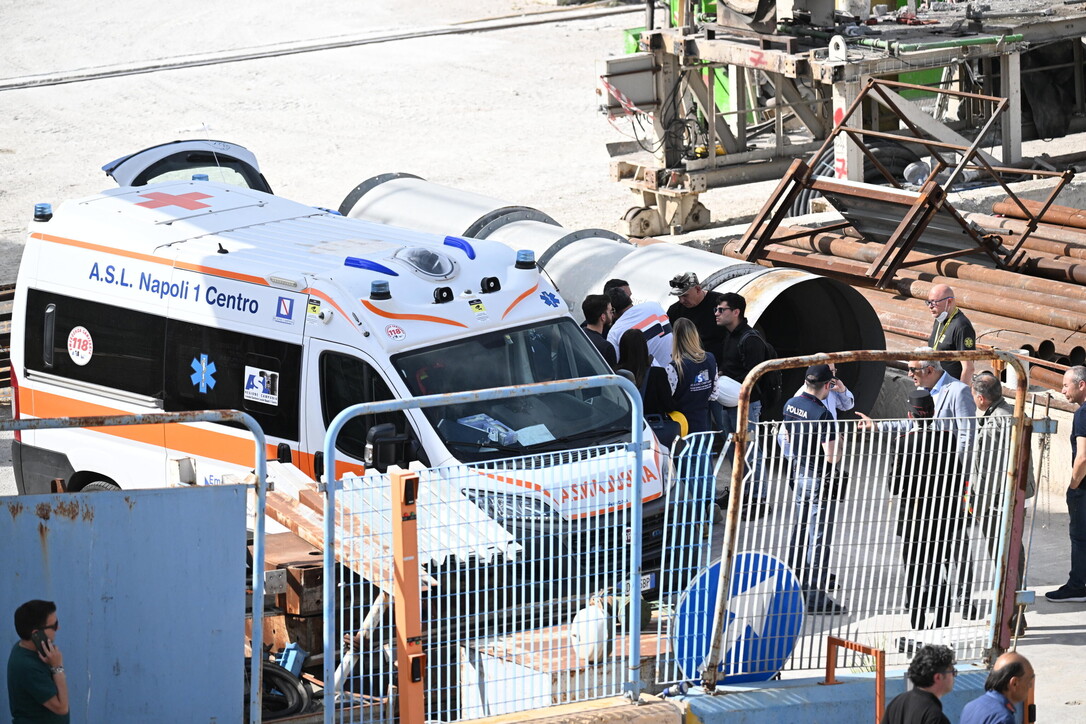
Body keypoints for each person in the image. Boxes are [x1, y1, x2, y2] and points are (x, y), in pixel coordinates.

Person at [889, 389, 972, 629]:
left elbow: (894, 485)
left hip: (913, 517)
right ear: (934, 413)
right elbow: (957, 479)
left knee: (914, 569)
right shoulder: (947, 438)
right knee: (939, 567)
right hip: (942, 515)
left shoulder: (903, 442)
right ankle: (942, 616)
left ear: (909, 415)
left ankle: (917, 619)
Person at [971, 372, 1034, 633]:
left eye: (975, 395)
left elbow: (988, 474)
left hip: (998, 504)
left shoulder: (996, 425)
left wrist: (978, 507)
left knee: (1003, 559)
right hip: (1016, 498)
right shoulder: (1012, 412)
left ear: (982, 398)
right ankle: (1015, 615)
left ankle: (1011, 620)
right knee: (1012, 555)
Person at [782, 364, 846, 615]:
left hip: (799, 472)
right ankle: (815, 596)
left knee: (798, 531)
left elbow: (787, 436)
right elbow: (832, 457)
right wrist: (841, 441)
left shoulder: (791, 404)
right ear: (828, 385)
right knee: (818, 537)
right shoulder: (823, 415)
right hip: (819, 477)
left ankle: (792, 585)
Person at [714, 291, 772, 513]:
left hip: (747, 406)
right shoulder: (729, 335)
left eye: (722, 310)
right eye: (716, 309)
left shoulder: (751, 339)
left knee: (751, 452)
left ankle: (758, 500)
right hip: (729, 404)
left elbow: (755, 376)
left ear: (736, 312)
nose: (717, 313)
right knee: (733, 451)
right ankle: (740, 493)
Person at [1046, 365, 1086, 602]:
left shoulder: (1082, 414)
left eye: (1065, 385)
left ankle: (1077, 585)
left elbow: (1083, 456)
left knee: (1080, 537)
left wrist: (1073, 485)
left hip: (1083, 488)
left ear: (1081, 385)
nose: (1062, 391)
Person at [7, 599, 68, 723]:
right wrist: (57, 668)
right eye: (54, 626)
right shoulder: (27, 666)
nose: (58, 628)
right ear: (36, 634)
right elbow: (61, 708)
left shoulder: (24, 647)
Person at [907, 352, 977, 457]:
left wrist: (955, 466)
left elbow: (967, 436)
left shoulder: (959, 391)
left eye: (913, 370)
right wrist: (878, 426)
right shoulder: (921, 389)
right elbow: (912, 425)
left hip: (947, 466)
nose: (909, 374)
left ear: (929, 370)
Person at [665, 319, 717, 434]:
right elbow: (714, 395)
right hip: (703, 420)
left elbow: (667, 400)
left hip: (682, 425)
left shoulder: (675, 366)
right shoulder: (710, 358)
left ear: (675, 338)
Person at [882, 644, 957, 724]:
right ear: (938, 677)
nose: (954, 675)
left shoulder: (897, 702)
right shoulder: (936, 718)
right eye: (952, 672)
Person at [605, 282, 673, 368]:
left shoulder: (614, 332)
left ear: (612, 310)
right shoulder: (654, 306)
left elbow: (613, 365)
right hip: (678, 367)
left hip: (652, 377)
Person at [666, 272, 725, 366]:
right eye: (678, 296)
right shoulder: (674, 311)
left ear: (698, 289)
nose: (681, 300)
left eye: (685, 295)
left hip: (719, 364)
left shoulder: (720, 303)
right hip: (689, 367)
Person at [960, 652, 1034, 724]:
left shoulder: (970, 707)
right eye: (1029, 681)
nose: (1030, 686)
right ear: (1014, 683)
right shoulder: (1003, 718)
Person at [926, 283, 976, 383]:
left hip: (950, 387)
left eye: (934, 302)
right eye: (928, 302)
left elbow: (968, 368)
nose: (930, 307)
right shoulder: (939, 318)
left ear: (949, 301)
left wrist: (960, 393)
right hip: (934, 383)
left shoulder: (962, 326)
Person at [616, 329, 672, 417]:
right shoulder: (658, 374)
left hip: (624, 427)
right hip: (652, 426)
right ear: (644, 347)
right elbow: (668, 405)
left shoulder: (615, 375)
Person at [580, 294, 617, 369]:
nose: (612, 314)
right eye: (610, 311)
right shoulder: (606, 347)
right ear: (603, 317)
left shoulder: (574, 335)